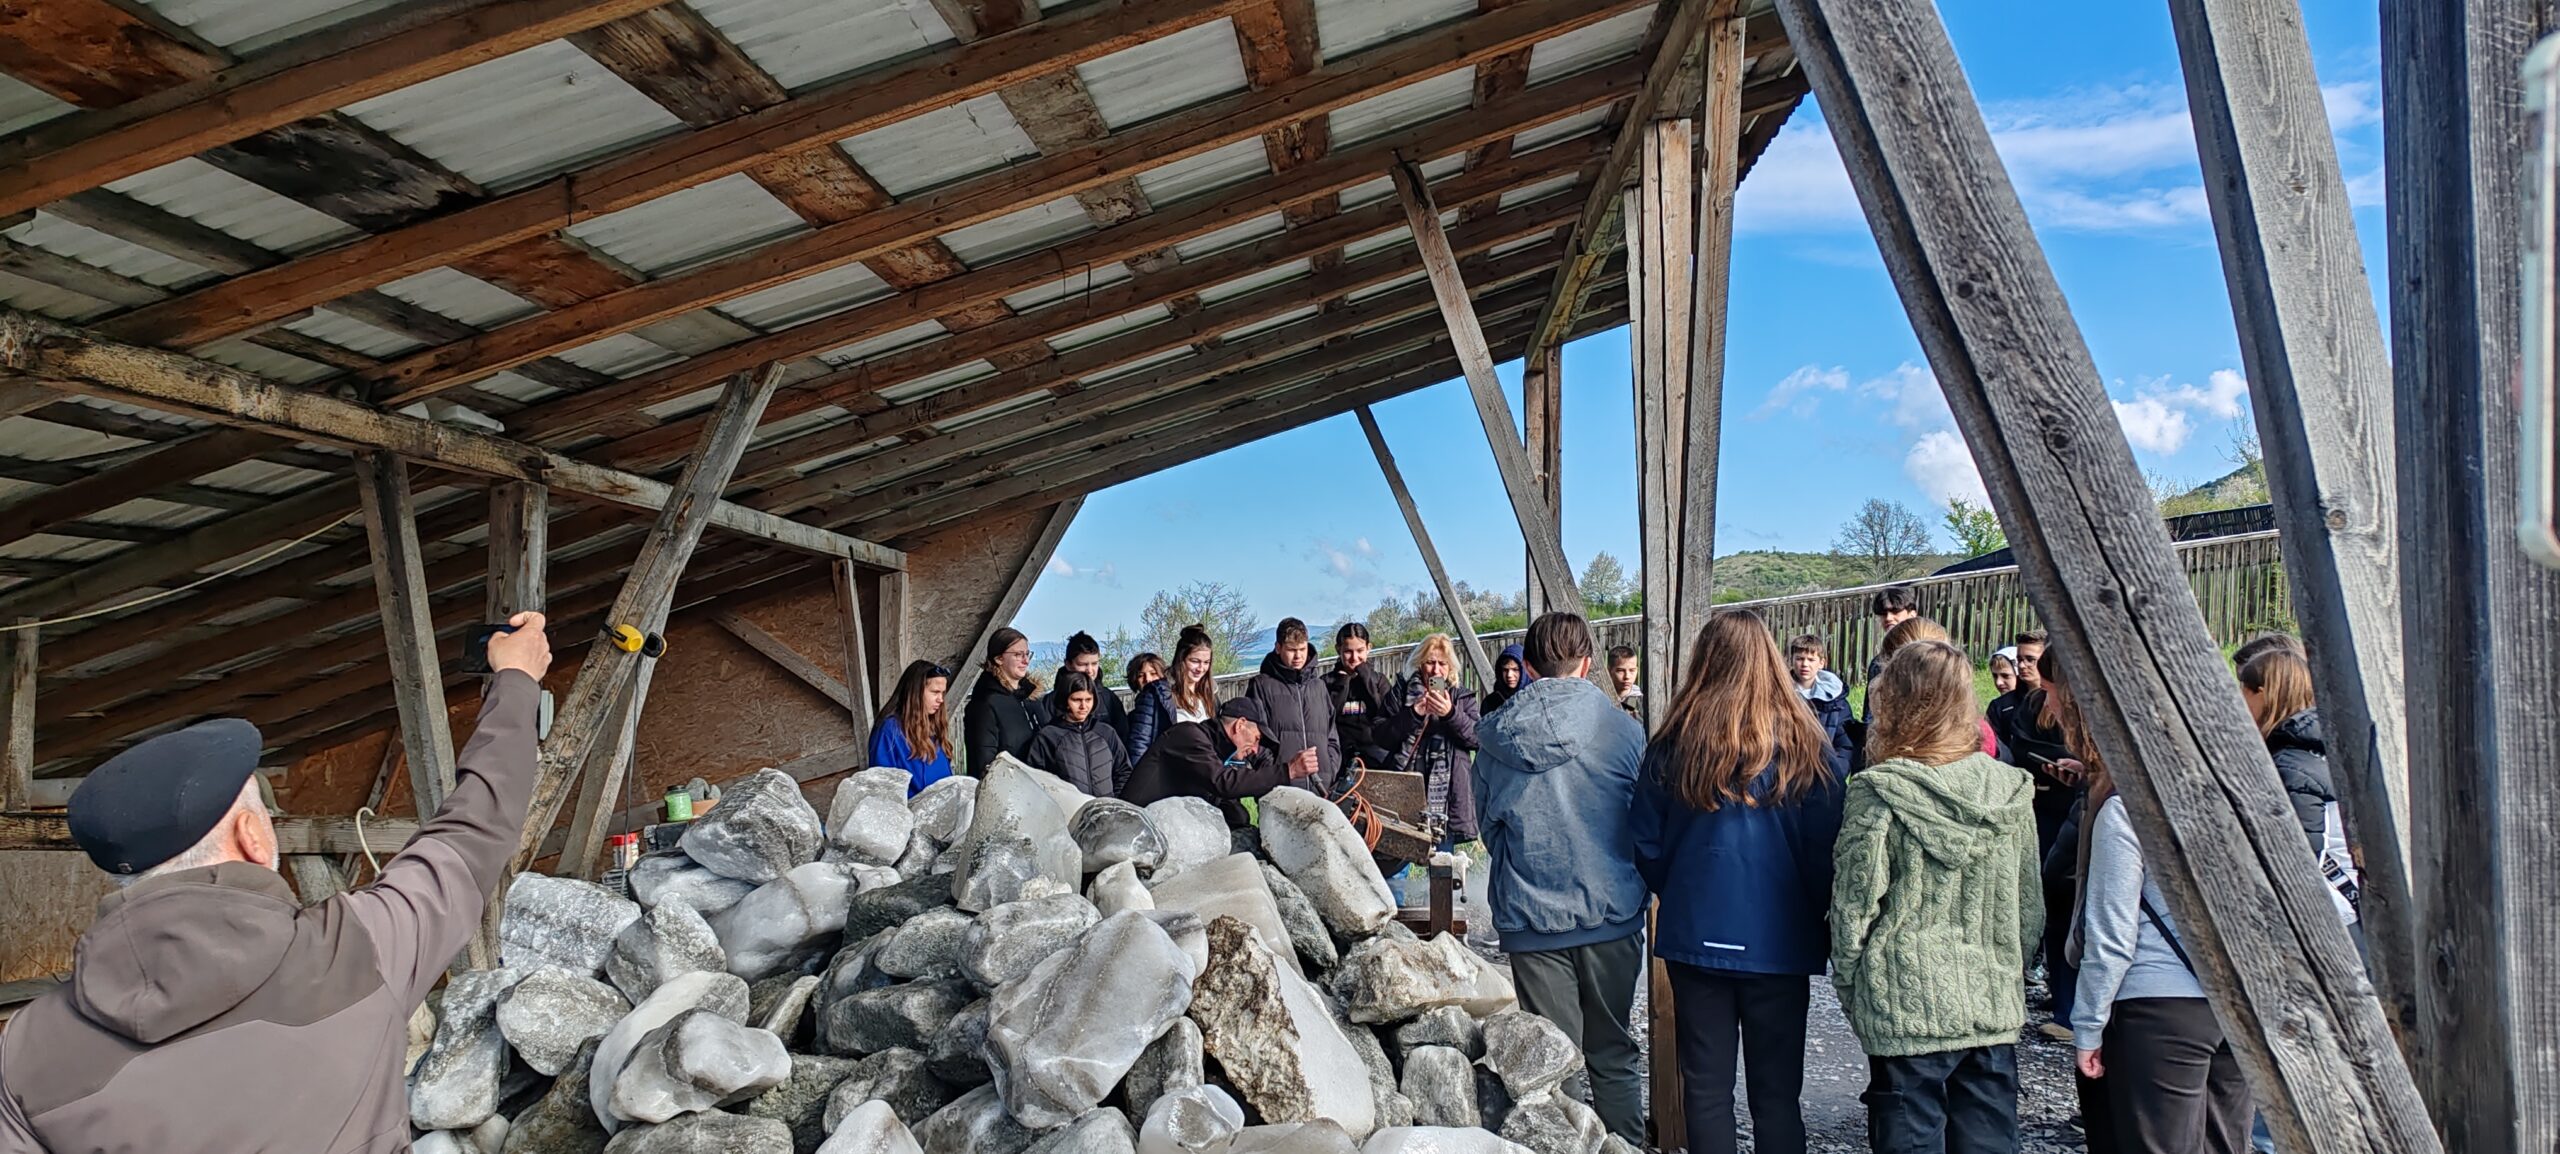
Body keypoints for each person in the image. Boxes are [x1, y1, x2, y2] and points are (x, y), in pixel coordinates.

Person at [0, 614, 555, 1152]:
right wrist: (516, 681)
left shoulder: (25, 1050)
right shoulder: (357, 950)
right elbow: (474, 829)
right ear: (252, 837)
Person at [1633, 611, 1849, 1154]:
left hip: (1697, 931)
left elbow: (1645, 841)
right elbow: (1827, 847)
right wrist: (1810, 911)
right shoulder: (1805, 742)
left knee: (1705, 1091)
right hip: (1779, 938)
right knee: (1777, 1096)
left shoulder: (1674, 742)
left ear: (1704, 663)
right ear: (1771, 660)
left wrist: (1681, 887)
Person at [1832, 638, 2042, 1154]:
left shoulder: (1878, 791)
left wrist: (1853, 987)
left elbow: (1853, 908)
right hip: (1990, 1000)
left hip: (1903, 1000)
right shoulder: (2011, 789)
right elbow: (2028, 908)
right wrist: (2006, 969)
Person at [1473, 613, 1651, 1145]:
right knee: (1613, 1051)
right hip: (1612, 911)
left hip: (1532, 917)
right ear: (1588, 663)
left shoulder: (1496, 738)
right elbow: (1644, 819)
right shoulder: (1624, 730)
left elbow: (1488, 827)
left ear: (1526, 667)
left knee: (1555, 1063)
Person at [2062, 672, 2252, 1153]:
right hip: (2239, 1003)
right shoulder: (2245, 802)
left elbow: (2111, 935)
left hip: (2158, 1004)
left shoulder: (2126, 810)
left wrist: (2088, 1025)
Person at [2237, 647, 2360, 931]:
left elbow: (2296, 862)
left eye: (2242, 693)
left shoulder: (2289, 767)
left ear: (2262, 694)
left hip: (2330, 919)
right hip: (2350, 908)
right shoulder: (2326, 752)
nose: (2238, 705)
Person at [1119, 697, 1296, 824]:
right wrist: (1288, 771)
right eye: (1256, 739)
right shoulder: (1188, 736)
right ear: (1240, 725)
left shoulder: (1212, 747)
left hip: (1154, 829)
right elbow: (1223, 783)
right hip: (1132, 830)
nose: (1255, 750)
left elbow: (1219, 796)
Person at [1377, 633, 1482, 844]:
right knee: (1402, 855)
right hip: (1405, 793)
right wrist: (1413, 714)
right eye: (1430, 663)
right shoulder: (1401, 692)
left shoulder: (1462, 697)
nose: (1436, 670)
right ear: (1419, 664)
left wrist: (1451, 714)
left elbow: (1477, 739)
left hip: (1446, 801)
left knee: (1442, 860)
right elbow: (1381, 736)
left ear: (1450, 667)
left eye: (1442, 664)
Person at [1246, 617, 1340, 792]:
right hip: (1280, 788)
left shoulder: (1319, 687)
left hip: (1322, 788)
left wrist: (1330, 767)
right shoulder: (1261, 686)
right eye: (1291, 650)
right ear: (1278, 648)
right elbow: (1251, 738)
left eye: (1302, 649)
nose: (1298, 656)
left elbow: (1332, 735)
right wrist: (1273, 772)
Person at [1024, 670, 1127, 797]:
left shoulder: (1106, 732)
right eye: (1077, 700)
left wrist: (1114, 802)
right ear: (1065, 700)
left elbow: (1123, 770)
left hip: (1106, 807)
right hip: (1067, 807)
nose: (1083, 706)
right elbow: (1036, 780)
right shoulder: (1048, 736)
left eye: (1088, 699)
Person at [1126, 625, 1216, 769]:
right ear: (1181, 658)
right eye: (1195, 661)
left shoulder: (1209, 694)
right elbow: (1139, 746)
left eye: (1206, 662)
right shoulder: (1156, 694)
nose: (1201, 668)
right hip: (1169, 774)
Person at [962, 627, 1047, 776]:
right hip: (1007, 786)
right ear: (999, 659)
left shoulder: (1032, 699)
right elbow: (984, 764)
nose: (1026, 661)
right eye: (1018, 655)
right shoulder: (984, 705)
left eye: (1027, 654)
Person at [871, 659, 955, 795]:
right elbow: (882, 788)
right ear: (916, 692)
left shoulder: (934, 726)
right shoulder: (890, 730)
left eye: (942, 693)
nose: (940, 699)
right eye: (935, 692)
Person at [1325, 623, 1397, 769]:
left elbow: (1385, 718)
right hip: (1338, 760)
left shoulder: (1379, 681)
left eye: (1360, 651)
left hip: (1376, 760)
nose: (1354, 657)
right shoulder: (1325, 683)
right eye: (1348, 651)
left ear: (1368, 648)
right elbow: (1327, 719)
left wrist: (1366, 678)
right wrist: (1342, 684)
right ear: (1338, 649)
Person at [1046, 630, 1128, 737]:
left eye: (1094, 664)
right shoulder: (1051, 702)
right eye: (1083, 664)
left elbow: (1122, 736)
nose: (1089, 670)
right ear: (1068, 664)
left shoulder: (1108, 699)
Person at [1788, 632, 1855, 761]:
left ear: (1821, 663)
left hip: (1826, 767)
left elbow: (1845, 745)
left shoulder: (1835, 699)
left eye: (1811, 660)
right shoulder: (1779, 695)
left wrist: (1836, 769)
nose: (1805, 664)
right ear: (1792, 660)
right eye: (1799, 659)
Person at [1482, 643, 1536, 714]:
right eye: (1505, 670)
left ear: (1525, 670)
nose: (1509, 675)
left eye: (1515, 669)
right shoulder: (1490, 703)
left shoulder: (1536, 698)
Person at [1607, 644, 1645, 719]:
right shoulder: (1602, 697)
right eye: (1620, 671)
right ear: (1609, 671)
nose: (1627, 676)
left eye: (1632, 670)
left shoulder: (1642, 700)